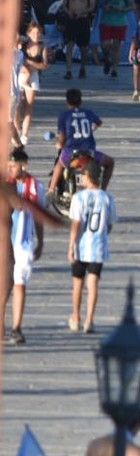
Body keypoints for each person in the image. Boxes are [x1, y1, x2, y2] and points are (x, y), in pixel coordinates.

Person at [68, 159, 115, 333]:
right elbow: (109, 225)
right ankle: (89, 320)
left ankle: (76, 316)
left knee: (77, 282)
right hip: (98, 246)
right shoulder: (107, 198)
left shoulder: (78, 197)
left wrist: (71, 246)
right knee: (93, 281)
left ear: (87, 176)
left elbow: (76, 224)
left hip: (81, 246)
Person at [48, 88, 115, 198]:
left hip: (71, 154)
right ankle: (103, 189)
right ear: (81, 101)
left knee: (59, 164)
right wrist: (91, 129)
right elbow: (98, 122)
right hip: (89, 154)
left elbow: (61, 139)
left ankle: (51, 191)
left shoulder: (64, 115)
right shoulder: (88, 112)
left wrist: (59, 144)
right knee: (110, 162)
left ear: (67, 102)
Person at [7, 147, 43, 344]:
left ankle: (16, 328)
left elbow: (39, 217)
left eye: (14, 165)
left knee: (19, 283)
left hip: (23, 243)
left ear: (24, 164)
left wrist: (41, 242)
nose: (11, 169)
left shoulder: (35, 187)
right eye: (9, 166)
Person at [60, 0, 96, 79]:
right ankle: (69, 70)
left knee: (83, 47)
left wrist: (82, 12)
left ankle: (83, 68)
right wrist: (68, 12)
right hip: (71, 19)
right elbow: (65, 4)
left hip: (83, 19)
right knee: (69, 44)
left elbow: (91, 6)